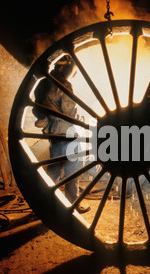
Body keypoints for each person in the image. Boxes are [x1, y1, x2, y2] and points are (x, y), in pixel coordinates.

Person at [33, 57, 90, 213]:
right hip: (67, 133)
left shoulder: (42, 84)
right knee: (75, 167)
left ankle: (47, 202)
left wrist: (44, 120)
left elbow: (36, 108)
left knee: (55, 168)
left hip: (53, 133)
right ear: (64, 67)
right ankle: (72, 202)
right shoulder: (63, 84)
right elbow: (69, 112)